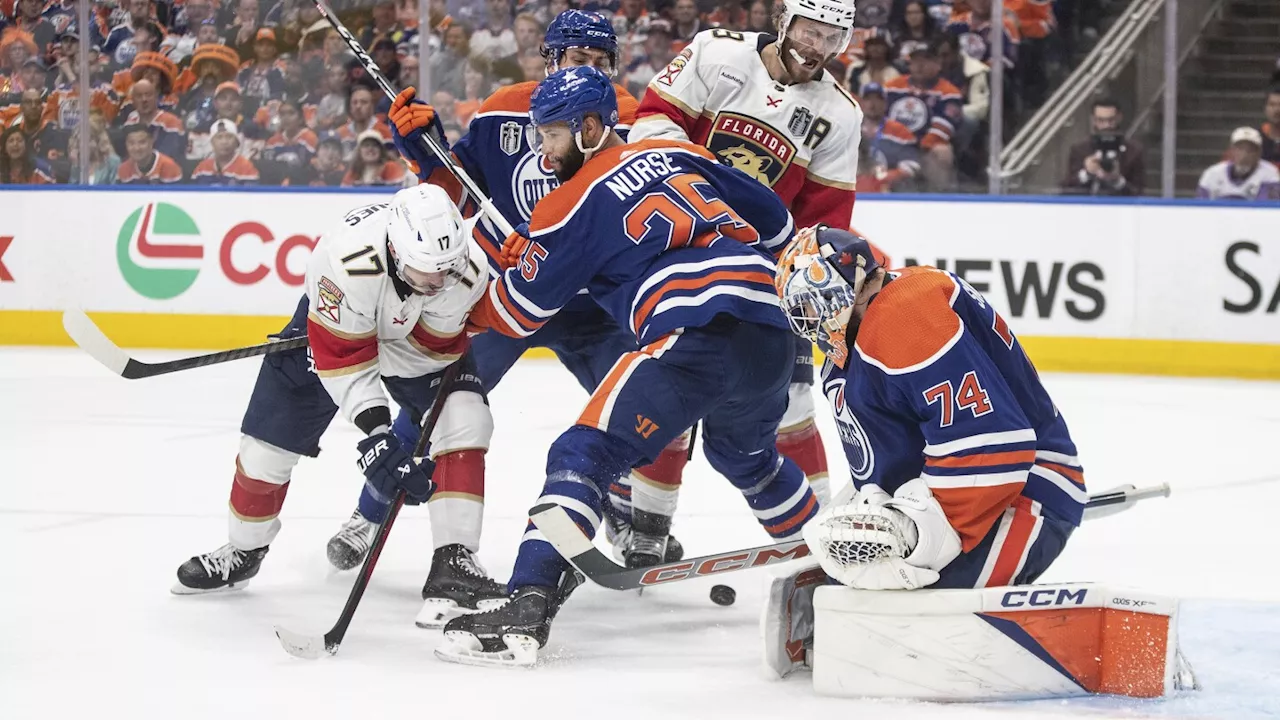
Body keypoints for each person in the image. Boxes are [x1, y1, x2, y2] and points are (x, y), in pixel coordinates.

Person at [435, 66, 817, 668]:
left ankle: (527, 601)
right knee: (748, 458)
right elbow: (778, 224)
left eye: (553, 136)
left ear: (591, 128)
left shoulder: (568, 203)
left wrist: (488, 283)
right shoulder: (676, 150)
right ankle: (832, 572)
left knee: (581, 454)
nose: (542, 151)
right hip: (773, 335)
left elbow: (515, 313)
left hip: (694, 337)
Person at [328, 11, 694, 600]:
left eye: (600, 61)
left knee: (654, 411)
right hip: (505, 295)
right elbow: (456, 190)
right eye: (577, 59)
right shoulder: (503, 109)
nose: (589, 71)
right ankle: (371, 512)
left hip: (598, 308)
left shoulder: (634, 120)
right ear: (550, 60)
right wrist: (427, 152)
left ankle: (640, 520)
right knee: (436, 402)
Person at [171, 185, 508, 627]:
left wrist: (411, 435)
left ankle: (454, 563)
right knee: (264, 451)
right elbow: (347, 361)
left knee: (464, 419)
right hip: (332, 334)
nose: (441, 283)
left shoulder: (464, 273)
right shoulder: (342, 261)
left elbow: (430, 353)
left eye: (447, 271)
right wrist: (377, 436)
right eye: (428, 273)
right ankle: (243, 550)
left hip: (412, 342)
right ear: (395, 249)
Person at [765, 224, 1087, 674]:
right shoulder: (858, 340)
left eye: (811, 303)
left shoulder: (903, 311)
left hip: (1023, 497)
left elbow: (993, 448)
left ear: (846, 285)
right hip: (958, 499)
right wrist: (870, 506)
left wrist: (912, 535)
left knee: (887, 628)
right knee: (862, 605)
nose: (808, 320)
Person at [625, 0, 862, 560]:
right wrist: (697, 191)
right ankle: (646, 531)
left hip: (763, 272)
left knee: (794, 402)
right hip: (681, 250)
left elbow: (824, 220)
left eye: (831, 37)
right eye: (809, 29)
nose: (816, 46)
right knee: (669, 389)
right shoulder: (717, 51)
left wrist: (805, 281)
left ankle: (823, 537)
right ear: (784, 21)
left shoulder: (840, 114)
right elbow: (651, 122)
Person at [884, 39, 962, 189]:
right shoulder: (892, 87)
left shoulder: (948, 91)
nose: (919, 65)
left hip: (924, 147)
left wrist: (921, 144)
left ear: (937, 64)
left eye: (926, 60)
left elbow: (944, 125)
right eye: (915, 60)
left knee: (942, 151)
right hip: (893, 143)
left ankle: (939, 197)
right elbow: (881, 115)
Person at [1060, 98, 1144, 196]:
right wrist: (1086, 173)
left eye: (1111, 120)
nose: (1106, 126)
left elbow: (1139, 193)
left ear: (1119, 118)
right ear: (1093, 120)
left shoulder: (1133, 151)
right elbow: (1066, 189)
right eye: (1100, 120)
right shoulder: (1080, 149)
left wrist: (1117, 181)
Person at [1197, 126, 1280, 201]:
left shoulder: (1269, 174)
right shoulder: (1212, 174)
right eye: (1240, 148)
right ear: (1231, 150)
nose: (1245, 154)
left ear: (1259, 153)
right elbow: (1201, 207)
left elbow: (1266, 207)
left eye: (1250, 149)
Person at [191, 119, 261, 184]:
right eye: (219, 137)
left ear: (236, 142)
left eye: (229, 137)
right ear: (212, 142)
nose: (224, 142)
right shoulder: (202, 168)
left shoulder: (246, 167)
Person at [116, 123, 184, 183]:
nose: (137, 148)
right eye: (131, 143)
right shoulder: (123, 169)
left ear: (151, 142)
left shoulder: (169, 166)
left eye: (142, 142)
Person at [341, 129, 409, 186]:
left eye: (375, 145)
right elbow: (342, 193)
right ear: (359, 151)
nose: (370, 149)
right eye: (366, 145)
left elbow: (398, 189)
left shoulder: (391, 167)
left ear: (381, 150)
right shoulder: (354, 172)